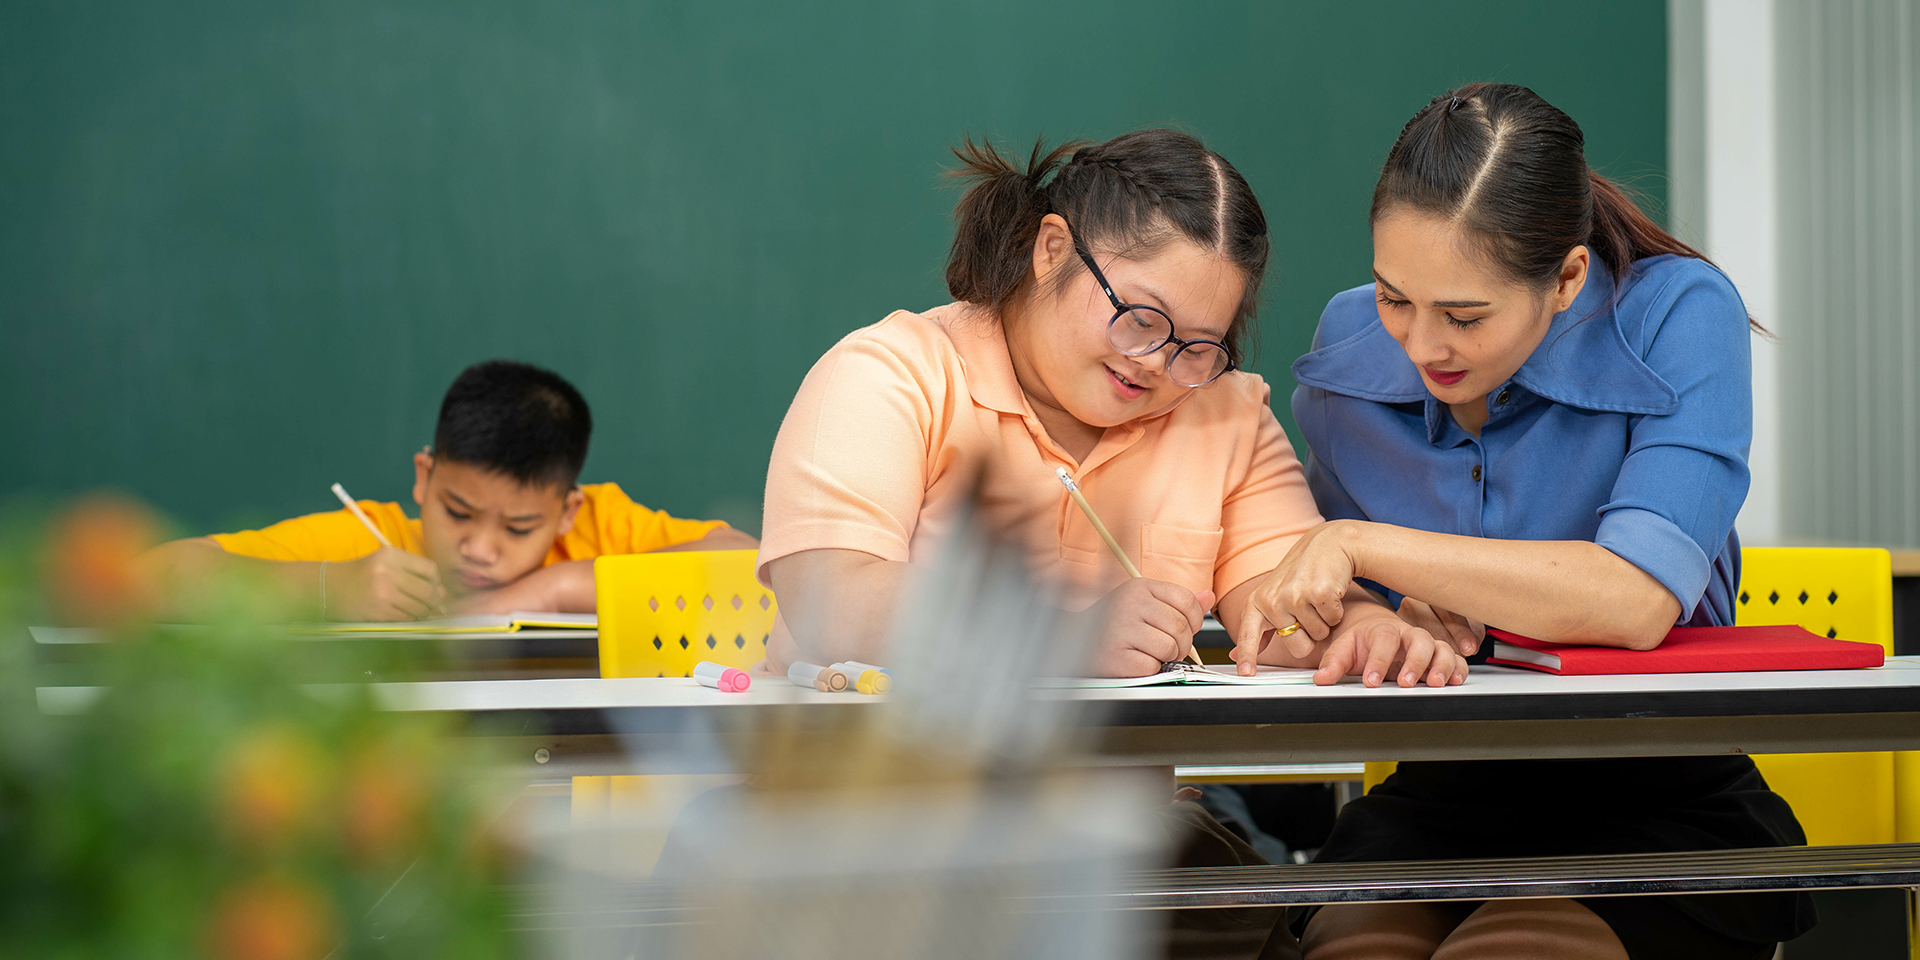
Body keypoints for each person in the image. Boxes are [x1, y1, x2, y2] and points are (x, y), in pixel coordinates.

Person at [1233, 84, 1812, 959]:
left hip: (1660, 794)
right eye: (1395, 296)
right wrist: (1353, 620)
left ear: (1567, 278)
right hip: (1440, 793)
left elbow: (1634, 599)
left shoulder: (1680, 313)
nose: (1423, 345)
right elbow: (1342, 614)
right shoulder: (1350, 348)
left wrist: (1362, 545)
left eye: (1465, 316)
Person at [756, 128, 1467, 687]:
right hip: (862, 826)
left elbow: (1277, 605)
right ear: (1052, 248)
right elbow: (833, 600)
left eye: (1197, 344)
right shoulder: (893, 376)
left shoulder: (1223, 414)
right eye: (1139, 316)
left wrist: (1363, 630)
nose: (1156, 362)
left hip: (1109, 840)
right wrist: (1069, 637)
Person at [141, 359, 753, 620]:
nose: (481, 548)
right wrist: (333, 586)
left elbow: (750, 560)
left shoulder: (601, 531)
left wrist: (557, 587)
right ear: (422, 478)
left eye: (519, 529)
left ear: (567, 512)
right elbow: (152, 577)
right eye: (457, 512)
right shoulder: (377, 540)